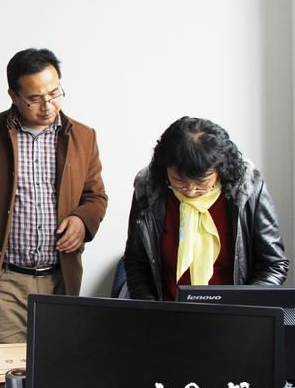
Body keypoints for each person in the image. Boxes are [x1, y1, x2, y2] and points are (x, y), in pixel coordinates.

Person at [0, 48, 108, 344]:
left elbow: (96, 197)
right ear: (13, 96)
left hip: (61, 278)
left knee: (56, 361)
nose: (47, 106)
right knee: (8, 366)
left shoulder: (84, 137)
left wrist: (82, 221)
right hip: (4, 280)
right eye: (34, 98)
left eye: (54, 93)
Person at [123, 116, 288, 301]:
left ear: (220, 169)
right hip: (167, 311)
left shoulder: (248, 193)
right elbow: (136, 262)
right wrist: (150, 308)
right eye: (178, 180)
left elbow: (272, 264)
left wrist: (247, 306)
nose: (190, 190)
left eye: (201, 182)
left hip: (235, 313)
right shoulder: (149, 192)